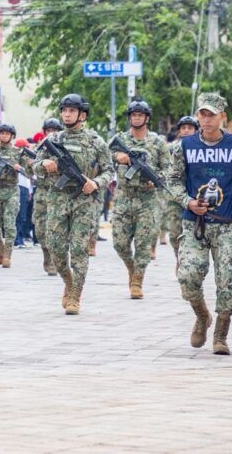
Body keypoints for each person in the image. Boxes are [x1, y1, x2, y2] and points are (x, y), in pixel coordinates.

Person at [164, 92, 232, 355]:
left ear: (223, 117)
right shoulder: (184, 146)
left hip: (228, 224)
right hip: (194, 223)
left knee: (226, 280)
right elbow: (172, 180)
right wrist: (187, 202)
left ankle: (221, 335)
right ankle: (202, 315)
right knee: (187, 276)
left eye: (211, 115)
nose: (206, 119)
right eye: (202, 114)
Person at [33, 93, 114, 315]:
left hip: (83, 201)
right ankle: (68, 281)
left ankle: (75, 294)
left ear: (82, 115)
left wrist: (95, 183)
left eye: (72, 111)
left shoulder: (96, 141)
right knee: (55, 249)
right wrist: (45, 164)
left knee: (79, 249)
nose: (67, 114)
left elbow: (109, 171)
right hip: (57, 199)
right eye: (64, 110)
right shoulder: (53, 140)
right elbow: (34, 165)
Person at [110, 98, 169, 299]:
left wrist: (157, 179)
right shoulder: (120, 139)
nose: (136, 118)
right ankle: (131, 267)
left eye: (140, 115)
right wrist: (117, 157)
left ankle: (137, 281)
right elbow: (103, 158)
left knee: (143, 243)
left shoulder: (157, 143)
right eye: (133, 115)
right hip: (123, 197)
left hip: (147, 199)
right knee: (119, 243)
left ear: (147, 118)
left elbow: (169, 169)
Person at [164, 115, 199, 262]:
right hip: (175, 197)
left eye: (190, 128)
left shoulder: (201, 148)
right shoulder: (170, 148)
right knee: (174, 233)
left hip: (195, 197)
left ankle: (188, 262)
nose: (186, 130)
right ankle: (179, 258)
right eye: (183, 128)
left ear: (196, 130)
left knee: (194, 233)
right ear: (179, 131)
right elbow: (164, 167)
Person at [0, 123, 22, 268]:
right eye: (2, 133)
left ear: (12, 136)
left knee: (9, 223)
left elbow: (29, 170)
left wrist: (19, 167)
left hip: (11, 191)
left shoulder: (18, 152)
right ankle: (0, 245)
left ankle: (7, 253)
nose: (4, 136)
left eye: (7, 133)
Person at [31, 119, 62, 275]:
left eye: (54, 130)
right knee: (40, 228)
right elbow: (29, 172)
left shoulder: (63, 148)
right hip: (42, 192)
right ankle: (46, 253)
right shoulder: (38, 149)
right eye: (48, 130)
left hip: (59, 193)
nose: (51, 133)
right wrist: (31, 164)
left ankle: (56, 259)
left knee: (57, 228)